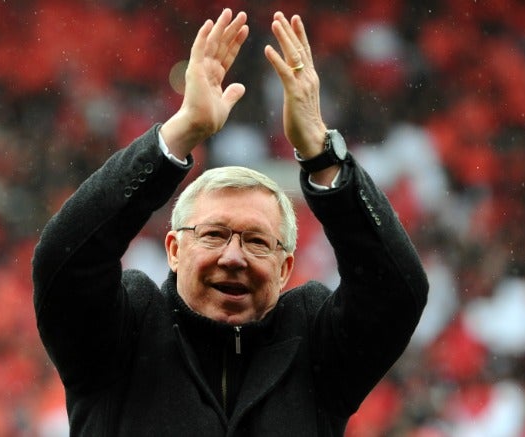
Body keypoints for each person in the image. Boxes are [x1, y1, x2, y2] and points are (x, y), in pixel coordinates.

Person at [32, 9, 428, 436]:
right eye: (214, 234)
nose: (234, 257)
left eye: (258, 242)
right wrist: (181, 132)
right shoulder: (122, 334)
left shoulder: (313, 346)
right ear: (174, 250)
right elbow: (66, 258)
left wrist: (323, 157)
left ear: (285, 268)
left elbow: (396, 293)